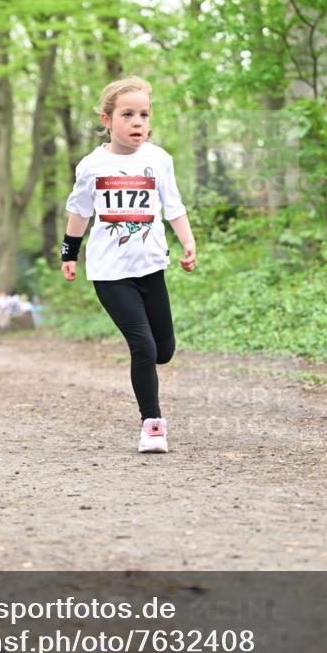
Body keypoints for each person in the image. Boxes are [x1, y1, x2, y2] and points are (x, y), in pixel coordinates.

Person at [61, 76, 196, 454]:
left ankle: (152, 397)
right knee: (143, 347)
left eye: (144, 114)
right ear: (107, 120)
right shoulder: (92, 165)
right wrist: (69, 253)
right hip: (110, 273)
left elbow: (174, 207)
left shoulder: (159, 160)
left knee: (163, 350)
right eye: (127, 115)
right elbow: (79, 212)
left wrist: (188, 242)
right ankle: (152, 425)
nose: (137, 122)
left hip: (152, 267)